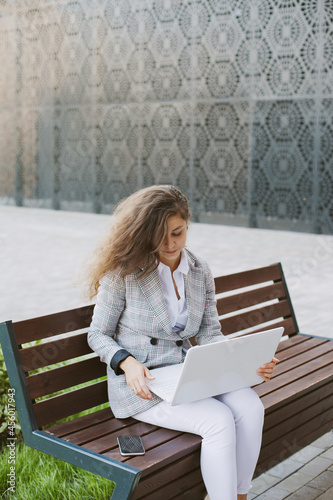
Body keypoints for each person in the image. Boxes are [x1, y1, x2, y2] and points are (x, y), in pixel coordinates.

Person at [87, 185, 278, 500]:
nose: (169, 243)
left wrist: (246, 365)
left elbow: (208, 332)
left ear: (188, 224)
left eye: (177, 232)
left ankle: (240, 495)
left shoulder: (199, 270)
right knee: (218, 421)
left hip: (187, 372)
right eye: (160, 236)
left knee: (251, 407)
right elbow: (97, 334)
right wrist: (126, 361)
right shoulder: (125, 272)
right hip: (142, 384)